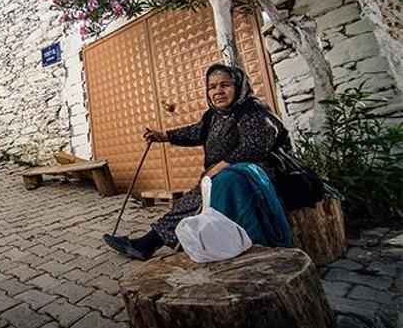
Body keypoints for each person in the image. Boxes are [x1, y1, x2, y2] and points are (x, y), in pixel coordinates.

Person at [103, 63, 291, 260]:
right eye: (212, 86)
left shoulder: (251, 110)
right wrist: (163, 136)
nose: (218, 91)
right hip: (221, 176)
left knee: (196, 199)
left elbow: (254, 146)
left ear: (239, 86)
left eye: (225, 85)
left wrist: (219, 167)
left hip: (250, 178)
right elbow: (196, 132)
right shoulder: (214, 115)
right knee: (189, 202)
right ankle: (149, 243)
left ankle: (149, 244)